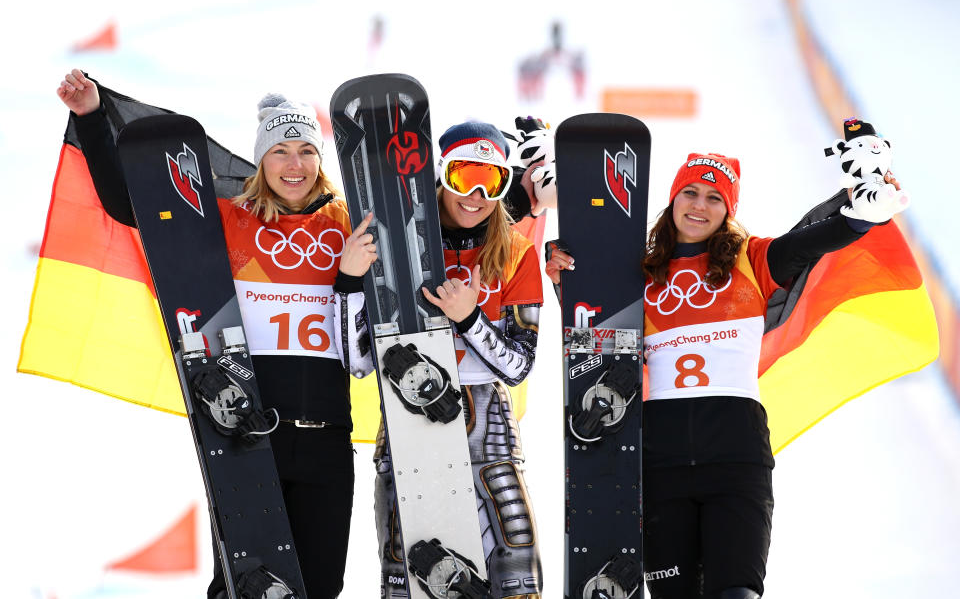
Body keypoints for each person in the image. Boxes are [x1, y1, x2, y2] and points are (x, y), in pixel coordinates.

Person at [57, 69, 376, 599]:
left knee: (321, 587)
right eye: (279, 151)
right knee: (242, 586)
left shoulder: (351, 224)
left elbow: (444, 227)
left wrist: (535, 205)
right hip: (248, 436)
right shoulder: (230, 219)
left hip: (326, 440)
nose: (293, 165)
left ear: (320, 159)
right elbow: (130, 205)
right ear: (261, 159)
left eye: (305, 151)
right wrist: (91, 118)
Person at [547, 150, 907, 599]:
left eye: (715, 198)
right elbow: (598, 331)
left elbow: (814, 241)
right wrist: (568, 280)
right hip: (662, 459)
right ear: (673, 198)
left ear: (729, 210)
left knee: (735, 593)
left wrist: (858, 218)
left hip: (736, 455)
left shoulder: (754, 260)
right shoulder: (638, 272)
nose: (700, 206)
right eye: (691, 193)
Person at [348, 121, 547, 597]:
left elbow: (519, 367)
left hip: (487, 419)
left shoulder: (516, 252)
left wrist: (469, 318)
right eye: (464, 176)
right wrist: (348, 281)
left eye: (492, 181)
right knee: (410, 575)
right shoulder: (396, 242)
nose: (476, 194)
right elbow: (358, 361)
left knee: (514, 574)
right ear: (440, 174)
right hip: (405, 412)